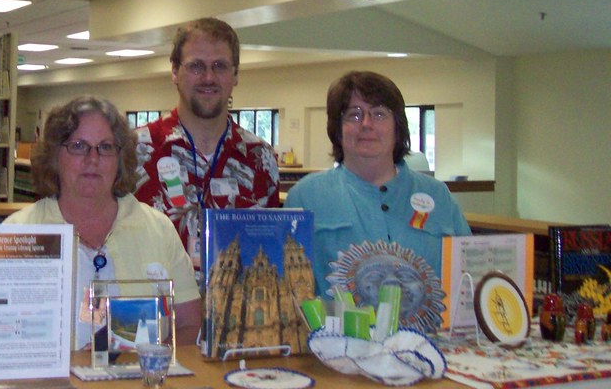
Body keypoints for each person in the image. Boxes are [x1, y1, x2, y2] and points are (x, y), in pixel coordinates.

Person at [5, 96, 200, 349]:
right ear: (54, 155)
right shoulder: (17, 233)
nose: (92, 159)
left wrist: (141, 364)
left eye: (106, 147)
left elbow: (189, 326)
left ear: (120, 159)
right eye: (78, 146)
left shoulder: (159, 229)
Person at [285, 71, 471, 329]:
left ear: (398, 126)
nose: (367, 124)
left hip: (432, 351)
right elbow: (290, 294)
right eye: (354, 114)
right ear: (337, 129)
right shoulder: (305, 198)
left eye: (379, 114)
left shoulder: (438, 197)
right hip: (340, 354)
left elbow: (470, 278)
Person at [133, 18, 280, 267]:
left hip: (237, 303)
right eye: (196, 66)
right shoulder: (135, 150)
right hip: (156, 303)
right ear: (174, 71)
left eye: (220, 66)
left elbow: (271, 248)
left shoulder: (260, 159)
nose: (208, 78)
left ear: (235, 75)